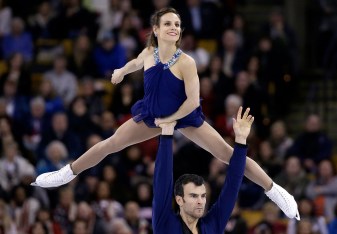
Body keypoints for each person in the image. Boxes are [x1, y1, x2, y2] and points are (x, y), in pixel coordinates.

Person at [31, 7, 299, 220]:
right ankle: (66, 173)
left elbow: (193, 101)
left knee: (229, 154)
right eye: (168, 23)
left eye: (178, 25)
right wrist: (122, 71)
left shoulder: (186, 62)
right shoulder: (149, 52)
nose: (174, 28)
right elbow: (137, 62)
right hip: (153, 114)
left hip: (184, 116)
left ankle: (275, 191)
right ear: (156, 29)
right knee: (110, 143)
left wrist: (172, 121)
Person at [152, 106, 251, 233]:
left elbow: (232, 186)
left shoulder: (213, 225)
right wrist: (166, 135)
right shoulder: (165, 224)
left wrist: (241, 140)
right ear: (179, 200)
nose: (200, 202)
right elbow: (162, 181)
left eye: (203, 196)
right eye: (193, 196)